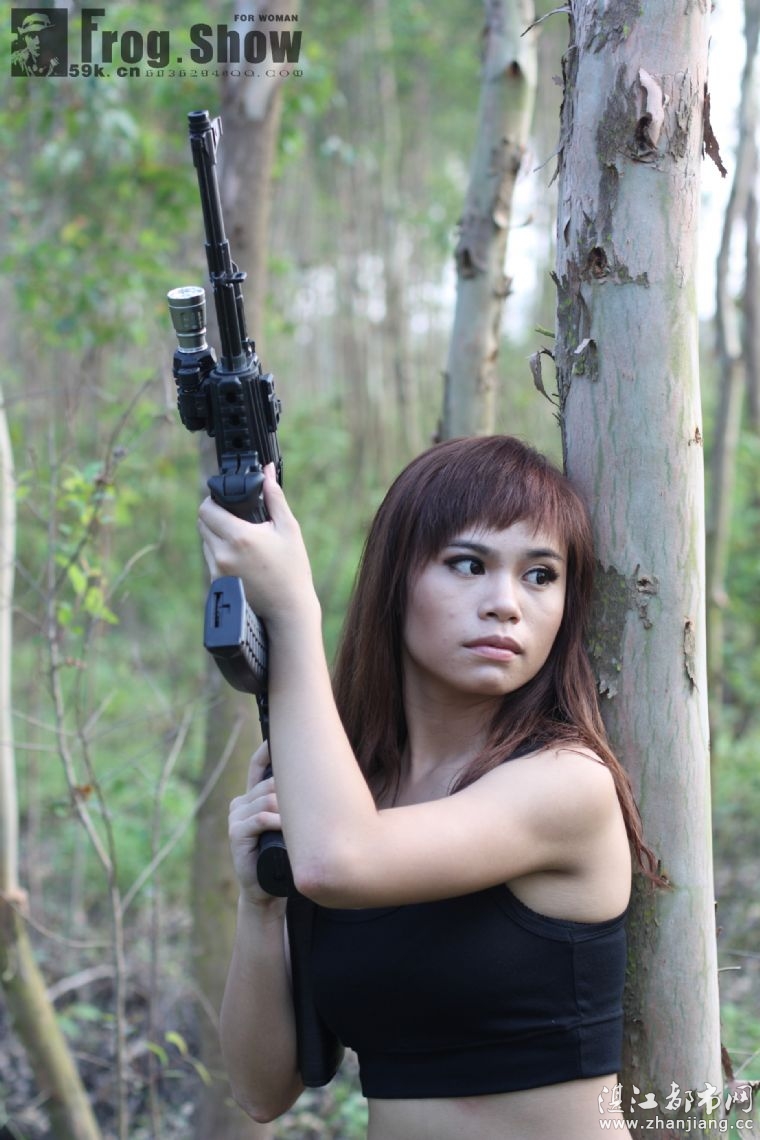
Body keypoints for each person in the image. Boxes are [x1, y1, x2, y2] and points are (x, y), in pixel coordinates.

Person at [198, 435, 657, 1139]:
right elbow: (261, 1091)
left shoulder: (567, 783)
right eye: (468, 564)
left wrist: (291, 611)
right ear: (396, 579)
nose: (505, 604)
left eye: (540, 575)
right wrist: (259, 903)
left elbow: (339, 862)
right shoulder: (351, 798)